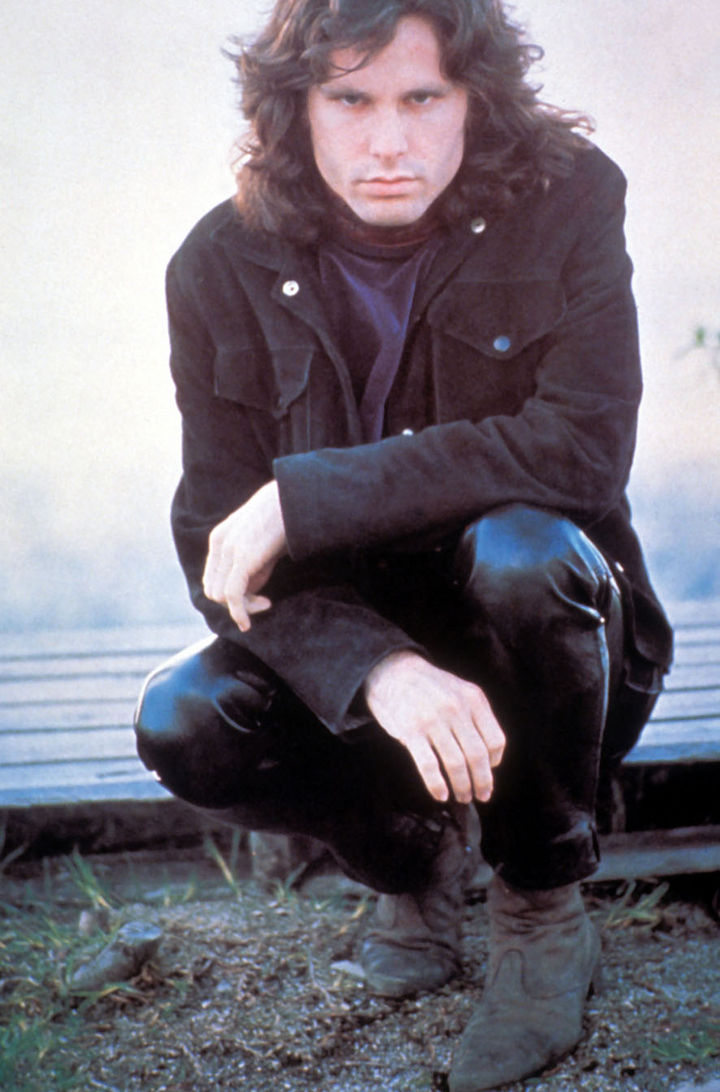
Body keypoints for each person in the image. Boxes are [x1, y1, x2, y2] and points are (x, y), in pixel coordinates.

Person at [134, 1, 673, 1087]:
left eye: (424, 97)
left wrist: (309, 499)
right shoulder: (217, 263)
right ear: (297, 107)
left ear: (476, 97)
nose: (390, 141)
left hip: (553, 645)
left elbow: (582, 450)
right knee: (185, 720)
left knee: (524, 553)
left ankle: (541, 909)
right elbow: (217, 546)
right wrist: (377, 667)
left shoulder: (570, 199)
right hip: (373, 684)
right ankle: (410, 861)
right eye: (352, 100)